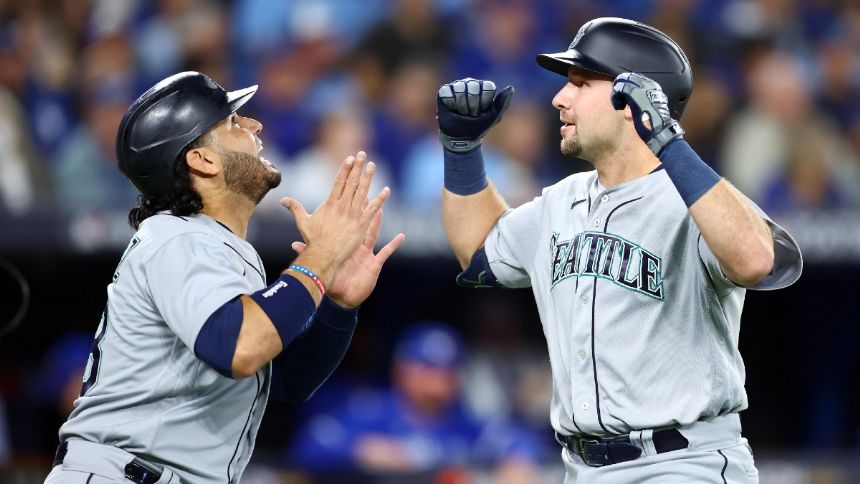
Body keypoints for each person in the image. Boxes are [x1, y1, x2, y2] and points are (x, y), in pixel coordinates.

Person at [434, 17, 803, 483]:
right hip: (581, 467)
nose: (559, 98)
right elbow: (478, 249)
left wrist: (668, 140)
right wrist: (462, 150)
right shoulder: (561, 201)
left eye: (581, 83)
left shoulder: (697, 199)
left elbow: (757, 261)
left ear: (632, 99)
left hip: (684, 464)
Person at [44, 71, 405, 484]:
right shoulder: (174, 235)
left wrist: (337, 305)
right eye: (234, 123)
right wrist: (319, 258)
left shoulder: (213, 246)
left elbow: (286, 379)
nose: (255, 125)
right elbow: (240, 346)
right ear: (203, 160)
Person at [287, 322, 542, 481]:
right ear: (403, 370)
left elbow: (520, 439)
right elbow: (308, 445)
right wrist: (362, 450)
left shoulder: (464, 420)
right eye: (428, 367)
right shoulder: (371, 411)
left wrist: (518, 460)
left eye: (448, 368)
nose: (440, 377)